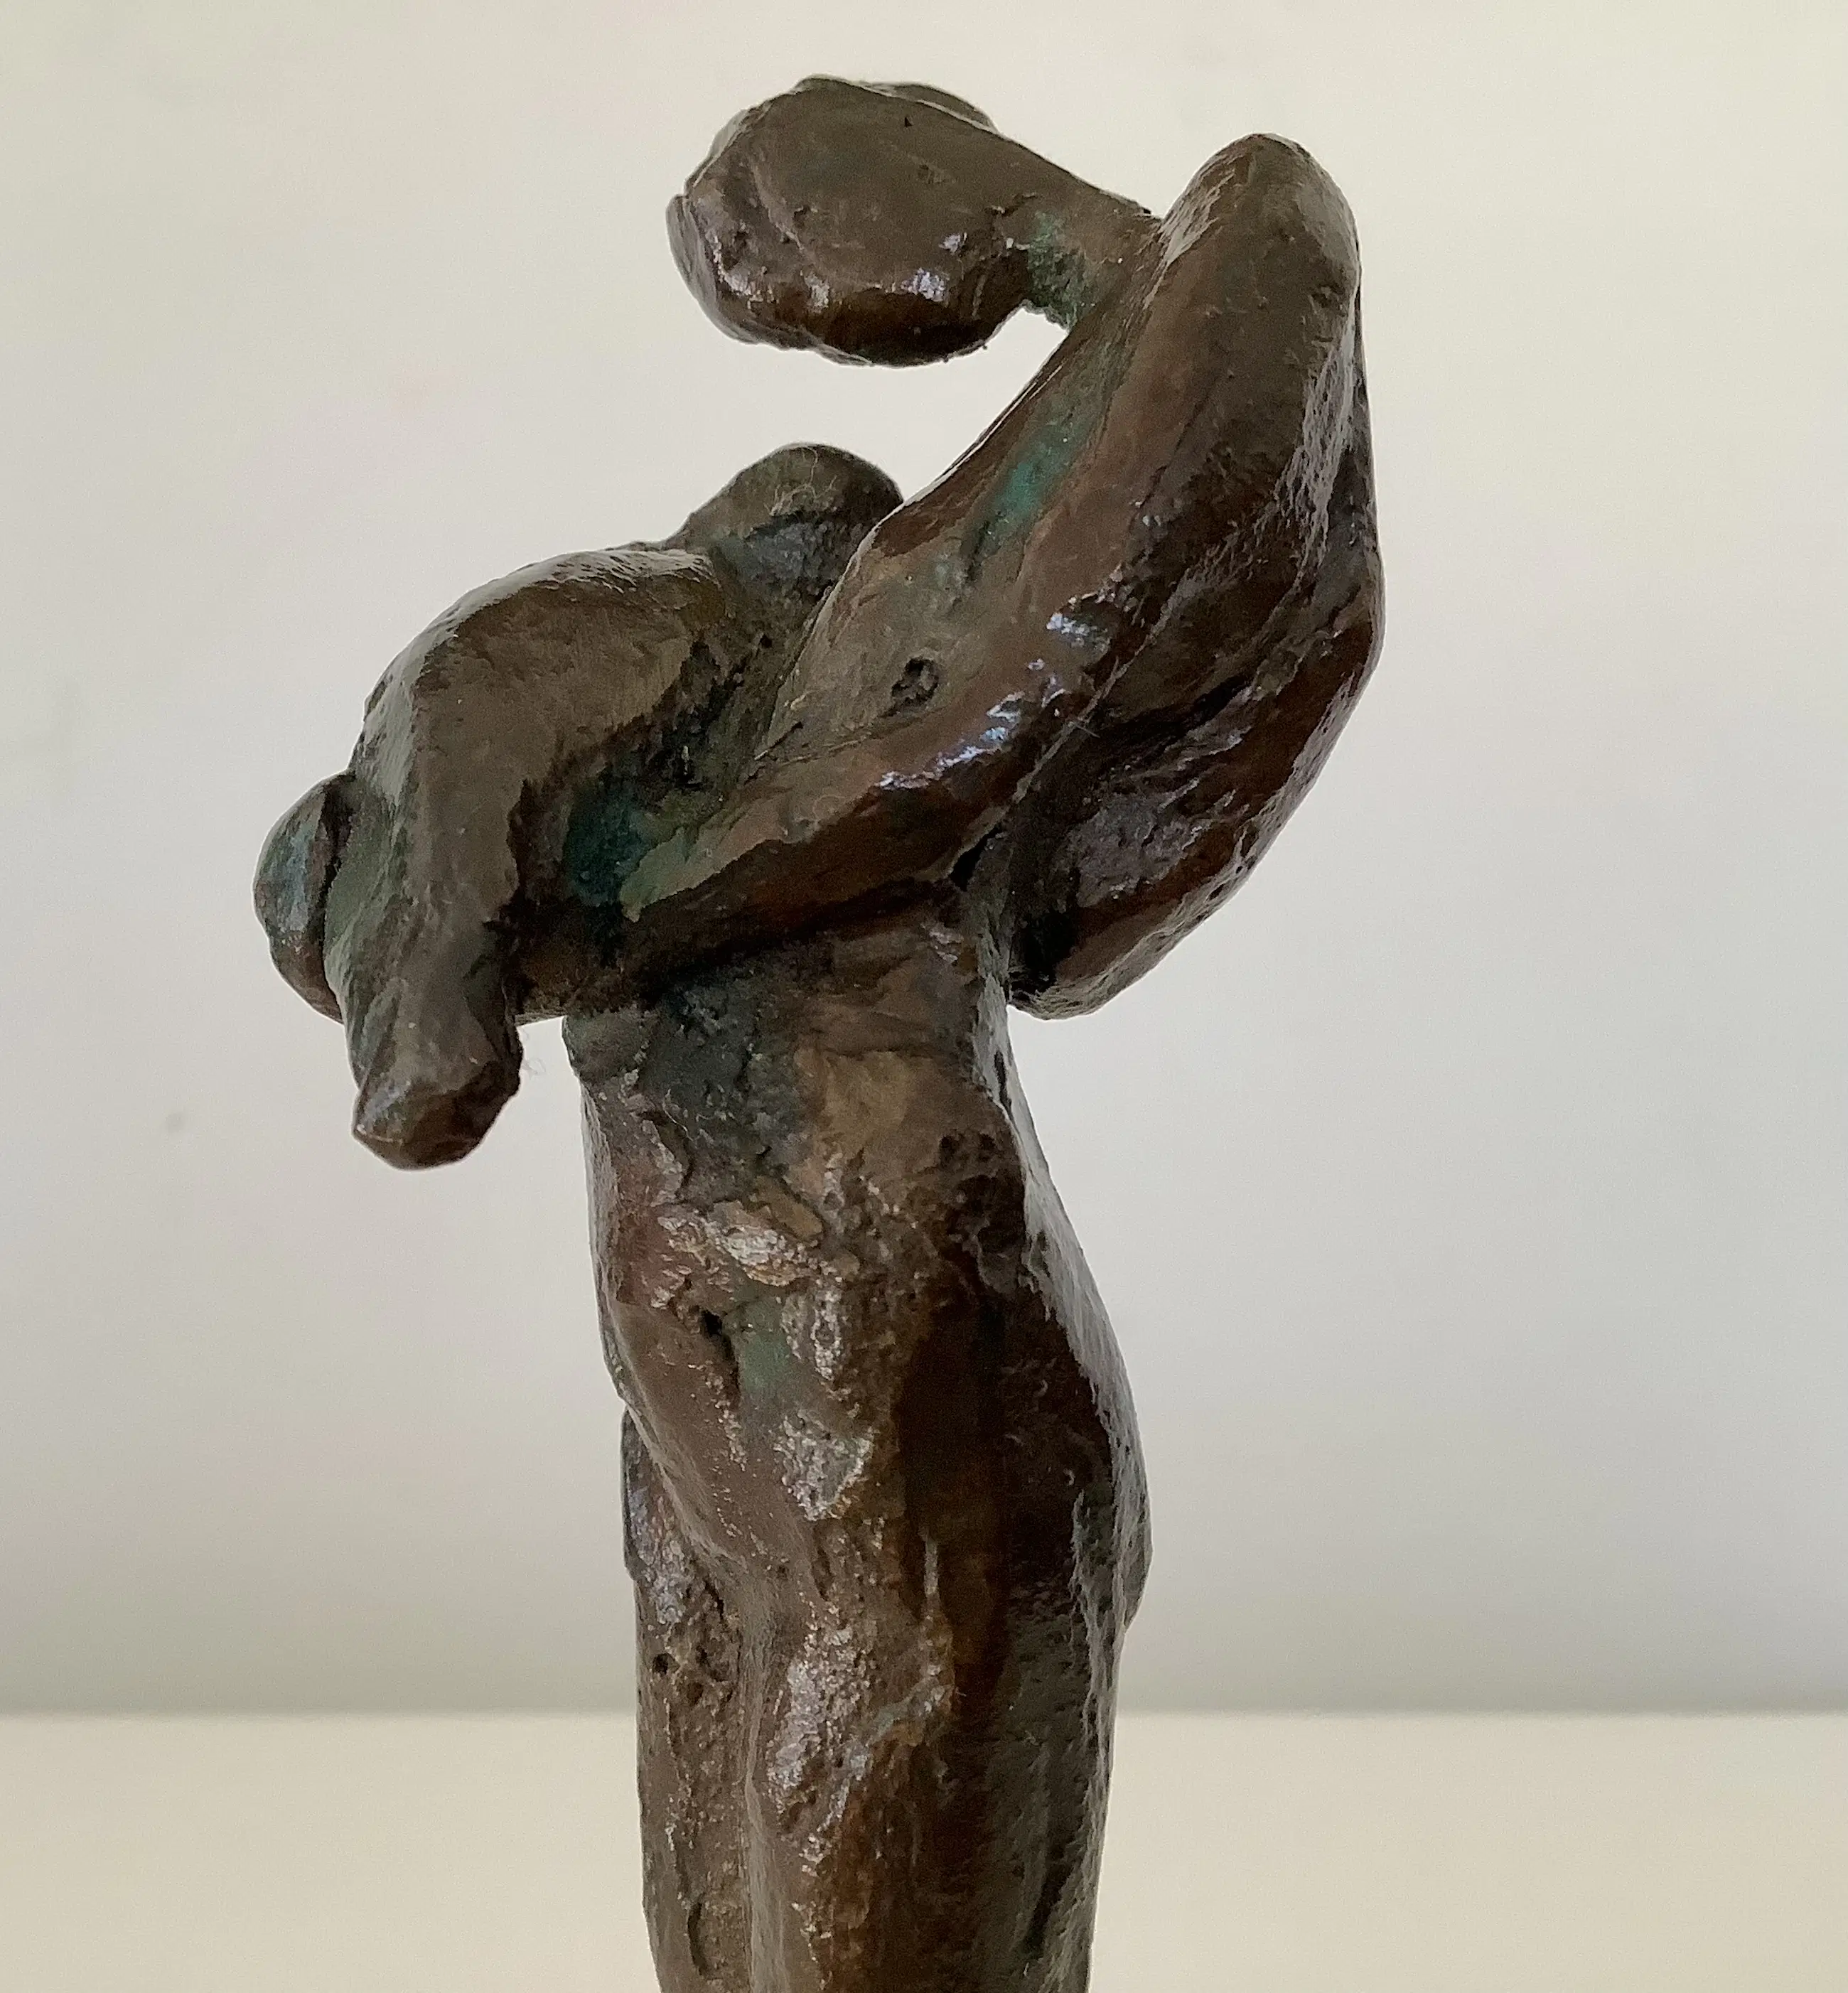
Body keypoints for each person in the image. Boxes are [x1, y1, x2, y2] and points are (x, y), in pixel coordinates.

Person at [257, 77, 1380, 1993]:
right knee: (816, 1826)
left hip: (871, 1363)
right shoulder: (639, 673)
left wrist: (1024, 227)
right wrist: (1036, 231)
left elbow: (1265, 312)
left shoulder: (798, 674)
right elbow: (415, 1017)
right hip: (817, 1365)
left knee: (874, 1813)